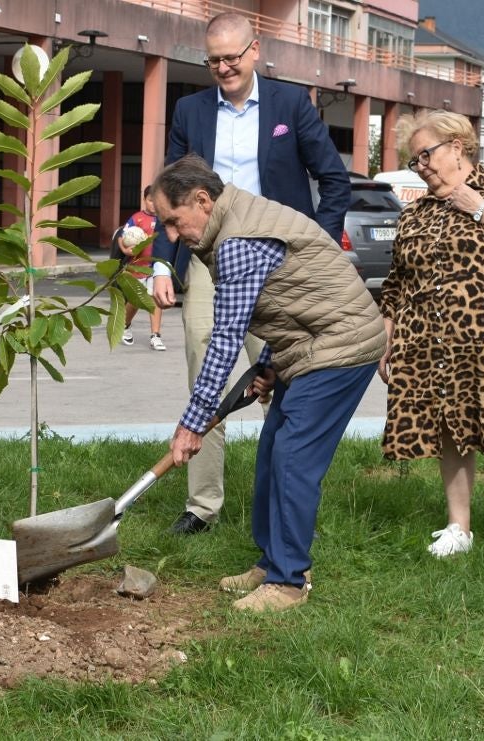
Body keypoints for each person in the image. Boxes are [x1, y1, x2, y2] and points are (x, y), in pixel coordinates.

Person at [154, 154, 384, 612]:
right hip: (310, 341)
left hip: (341, 346)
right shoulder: (233, 219)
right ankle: (271, 560)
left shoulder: (238, 239)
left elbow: (225, 338)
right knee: (272, 450)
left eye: (175, 223)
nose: (173, 237)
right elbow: (292, 295)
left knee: (294, 458)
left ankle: (289, 582)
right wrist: (269, 365)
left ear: (203, 200)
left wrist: (191, 424)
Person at [150, 12, 351, 535]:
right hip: (207, 259)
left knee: (278, 381)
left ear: (255, 49)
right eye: (213, 59)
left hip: (278, 268)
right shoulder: (190, 110)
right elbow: (167, 193)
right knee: (207, 375)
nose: (222, 68)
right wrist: (160, 263)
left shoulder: (290, 105)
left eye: (231, 58)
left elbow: (334, 180)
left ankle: (280, 505)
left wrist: (316, 247)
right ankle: (202, 506)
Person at [378, 110, 484, 570]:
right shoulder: (416, 211)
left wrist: (476, 207)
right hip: (430, 341)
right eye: (415, 161)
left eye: (426, 154)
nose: (423, 166)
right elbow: (396, 280)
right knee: (448, 431)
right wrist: (388, 334)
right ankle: (459, 527)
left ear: (458, 146)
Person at [119, 186, 166, 351]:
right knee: (136, 300)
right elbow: (121, 236)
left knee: (155, 298)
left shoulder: (165, 219)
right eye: (150, 200)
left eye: (156, 201)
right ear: (145, 200)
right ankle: (124, 324)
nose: (153, 204)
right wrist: (125, 249)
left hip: (157, 266)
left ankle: (156, 335)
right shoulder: (137, 218)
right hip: (138, 267)